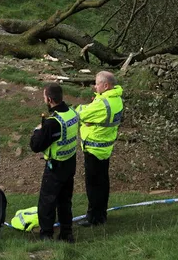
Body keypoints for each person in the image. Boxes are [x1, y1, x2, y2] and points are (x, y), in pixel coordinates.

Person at [29, 83, 77, 243]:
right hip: (70, 163)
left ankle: (46, 235)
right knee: (65, 200)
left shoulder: (52, 122)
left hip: (55, 167)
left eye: (44, 97)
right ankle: (66, 233)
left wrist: (38, 130)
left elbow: (36, 146)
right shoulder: (72, 113)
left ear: (49, 99)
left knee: (47, 201)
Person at [76, 71, 124, 227]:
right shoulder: (116, 100)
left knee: (93, 185)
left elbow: (80, 114)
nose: (94, 87)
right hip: (106, 147)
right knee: (103, 183)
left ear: (106, 85)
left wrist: (85, 115)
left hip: (94, 148)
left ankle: (94, 218)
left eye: (96, 84)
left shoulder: (102, 104)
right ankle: (102, 214)